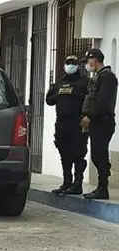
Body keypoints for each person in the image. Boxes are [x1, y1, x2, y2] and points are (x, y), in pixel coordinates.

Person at [46, 55, 90, 195]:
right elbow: (49, 100)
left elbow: (91, 100)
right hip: (61, 123)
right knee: (64, 153)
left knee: (78, 153)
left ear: (78, 65)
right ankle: (66, 182)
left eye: (73, 63)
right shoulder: (60, 82)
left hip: (78, 122)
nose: (70, 65)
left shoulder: (85, 82)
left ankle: (77, 184)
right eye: (68, 63)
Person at [81, 48, 118, 200]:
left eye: (88, 61)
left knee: (99, 155)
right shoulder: (98, 77)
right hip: (97, 122)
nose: (87, 64)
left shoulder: (107, 77)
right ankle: (101, 186)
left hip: (103, 122)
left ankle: (103, 188)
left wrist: (89, 116)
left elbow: (102, 102)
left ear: (94, 59)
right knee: (97, 155)